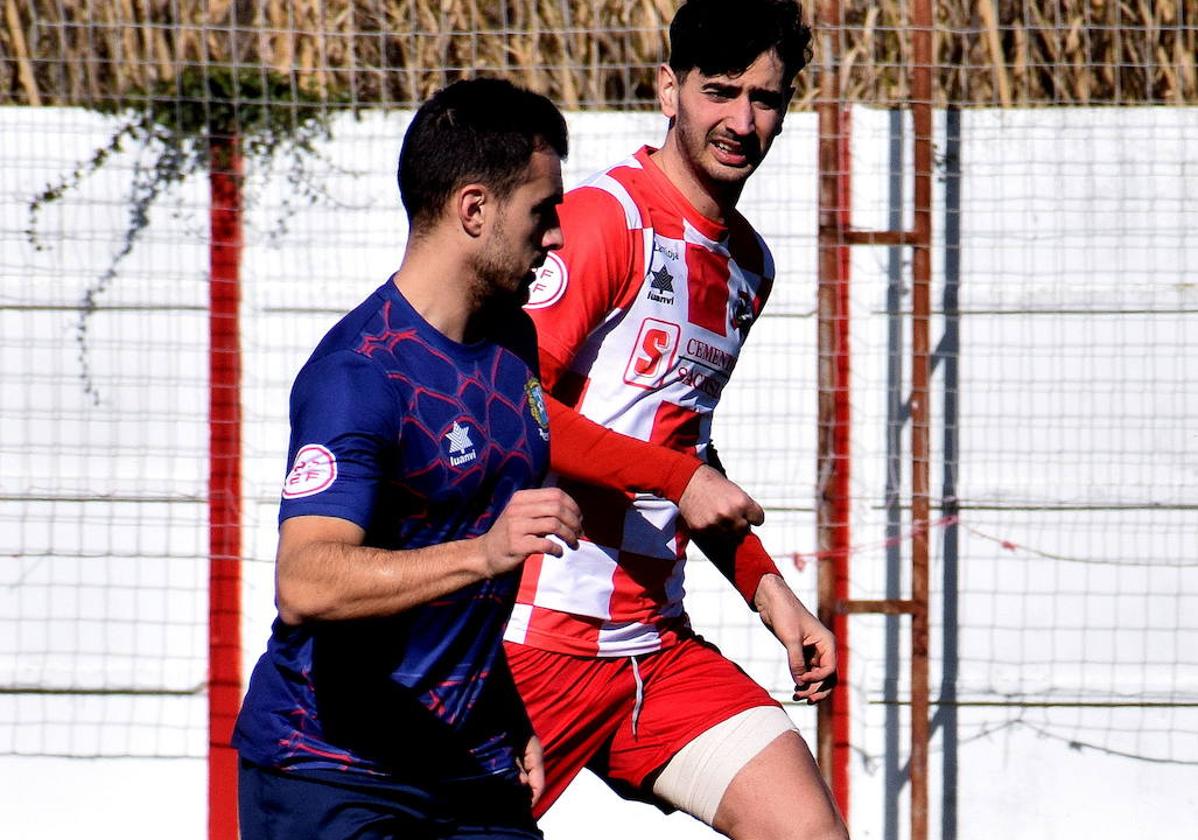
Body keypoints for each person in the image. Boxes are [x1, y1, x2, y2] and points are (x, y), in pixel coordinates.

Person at [502, 2, 850, 838]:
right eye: (720, 92)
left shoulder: (749, 265)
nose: (741, 121)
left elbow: (681, 440)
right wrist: (679, 477)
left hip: (653, 651)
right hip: (530, 644)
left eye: (765, 98)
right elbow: (514, 406)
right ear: (670, 89)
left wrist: (775, 597)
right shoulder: (601, 221)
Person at [232, 77, 582, 840]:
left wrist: (502, 701)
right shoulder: (360, 374)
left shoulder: (512, 344)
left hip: (467, 762)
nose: (556, 234)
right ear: (475, 209)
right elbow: (306, 581)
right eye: (542, 209)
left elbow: (451, 523)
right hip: (328, 769)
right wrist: (488, 552)